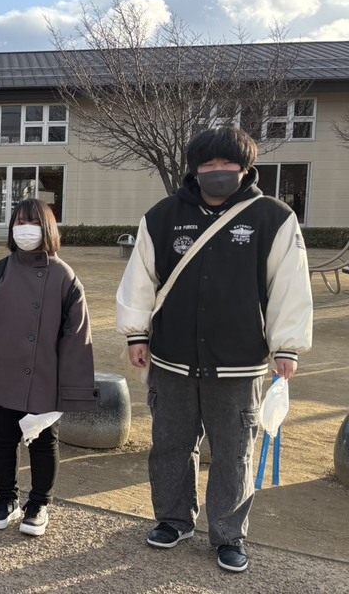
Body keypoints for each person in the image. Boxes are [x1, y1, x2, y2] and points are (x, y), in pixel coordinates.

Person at [116, 126, 313, 573]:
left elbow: (290, 287)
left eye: (228, 165)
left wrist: (287, 346)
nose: (218, 173)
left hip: (239, 363)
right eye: (208, 165)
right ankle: (172, 519)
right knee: (169, 444)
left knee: (234, 451)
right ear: (194, 170)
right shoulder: (163, 216)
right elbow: (140, 279)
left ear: (246, 169)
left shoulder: (274, 218)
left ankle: (228, 535)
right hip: (171, 358)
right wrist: (136, 333)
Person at [0, 198, 96, 537]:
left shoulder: (64, 276)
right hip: (2, 373)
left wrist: (71, 388)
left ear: (47, 228)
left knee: (44, 441)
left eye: (33, 222)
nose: (25, 229)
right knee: (2, 437)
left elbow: (77, 336)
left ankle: (40, 502)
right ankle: (5, 498)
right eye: (19, 222)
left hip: (46, 375)